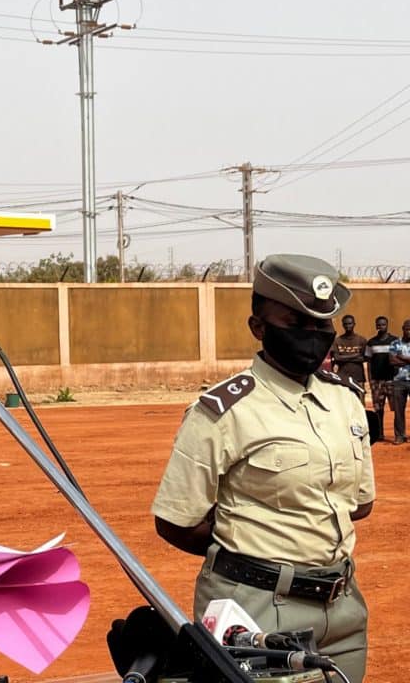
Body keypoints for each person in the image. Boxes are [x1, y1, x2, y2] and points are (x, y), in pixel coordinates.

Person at [151, 254, 374, 683]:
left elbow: (358, 503)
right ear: (259, 328)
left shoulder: (345, 401)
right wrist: (254, 554)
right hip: (257, 610)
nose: (313, 336)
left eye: (321, 326)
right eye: (296, 323)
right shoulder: (222, 410)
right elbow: (176, 521)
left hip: (343, 609)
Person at [365, 316, 398, 442]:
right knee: (378, 409)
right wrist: (370, 379)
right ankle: (380, 434)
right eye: (378, 324)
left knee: (396, 408)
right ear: (376, 326)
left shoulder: (395, 341)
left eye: (383, 324)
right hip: (377, 381)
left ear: (387, 325)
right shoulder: (371, 342)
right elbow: (368, 362)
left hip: (391, 380)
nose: (380, 327)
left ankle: (398, 434)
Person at [331, 314, 367, 402]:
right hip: (343, 377)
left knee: (360, 403)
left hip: (358, 377)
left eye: (350, 323)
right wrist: (355, 355)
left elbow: (363, 358)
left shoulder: (361, 340)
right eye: (345, 324)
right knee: (344, 403)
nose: (348, 326)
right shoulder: (337, 341)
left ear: (354, 324)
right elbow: (337, 358)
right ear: (343, 325)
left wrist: (343, 357)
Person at [389, 319, 410, 445]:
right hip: (399, 381)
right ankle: (400, 436)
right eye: (407, 329)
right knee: (398, 410)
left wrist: (401, 357)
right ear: (403, 329)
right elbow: (392, 361)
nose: (409, 331)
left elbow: (397, 360)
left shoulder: (397, 348)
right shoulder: (395, 343)